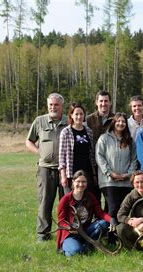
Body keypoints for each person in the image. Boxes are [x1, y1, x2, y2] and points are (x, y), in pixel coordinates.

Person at [26, 93, 68, 242]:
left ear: (62, 106)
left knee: (66, 202)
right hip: (45, 169)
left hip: (65, 169)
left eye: (56, 105)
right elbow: (29, 141)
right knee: (45, 202)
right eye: (51, 105)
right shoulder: (39, 121)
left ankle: (66, 233)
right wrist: (40, 153)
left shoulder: (68, 121)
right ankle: (43, 234)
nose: (53, 107)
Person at [56, 170, 111, 257]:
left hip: (85, 231)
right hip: (70, 234)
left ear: (86, 183)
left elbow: (100, 212)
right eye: (78, 181)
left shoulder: (90, 197)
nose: (81, 184)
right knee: (77, 252)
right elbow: (61, 221)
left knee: (104, 224)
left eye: (83, 182)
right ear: (73, 182)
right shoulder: (65, 200)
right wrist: (69, 228)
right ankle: (68, 247)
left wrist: (111, 220)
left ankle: (88, 244)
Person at [96, 112, 137, 224]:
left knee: (122, 209)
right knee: (113, 208)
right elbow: (99, 157)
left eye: (123, 121)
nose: (121, 123)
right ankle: (111, 236)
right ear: (113, 123)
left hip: (126, 181)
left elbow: (134, 159)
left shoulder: (130, 140)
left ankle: (116, 234)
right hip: (109, 181)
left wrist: (128, 174)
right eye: (118, 121)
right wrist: (110, 173)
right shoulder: (104, 138)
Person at [58, 102, 97, 195]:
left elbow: (91, 154)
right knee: (71, 201)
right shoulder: (66, 132)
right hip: (71, 173)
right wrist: (63, 176)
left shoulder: (89, 131)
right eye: (76, 114)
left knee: (87, 201)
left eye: (81, 114)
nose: (79, 117)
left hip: (87, 172)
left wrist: (94, 174)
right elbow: (61, 157)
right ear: (71, 115)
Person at [87, 90, 114, 202]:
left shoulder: (116, 119)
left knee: (111, 198)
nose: (103, 104)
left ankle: (109, 219)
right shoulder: (88, 119)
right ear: (96, 102)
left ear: (110, 102)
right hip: (93, 164)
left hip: (111, 163)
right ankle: (96, 219)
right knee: (94, 196)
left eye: (106, 101)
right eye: (101, 101)